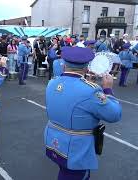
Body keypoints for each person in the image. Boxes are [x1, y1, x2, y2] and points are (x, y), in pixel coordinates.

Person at [44, 46, 122, 180]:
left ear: (65, 64)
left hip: (54, 140)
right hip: (76, 148)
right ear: (87, 67)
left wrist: (85, 84)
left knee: (64, 172)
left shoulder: (52, 82)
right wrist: (108, 90)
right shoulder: (91, 91)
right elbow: (114, 115)